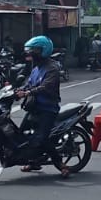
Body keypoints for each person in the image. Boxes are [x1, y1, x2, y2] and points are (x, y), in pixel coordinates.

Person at [14, 34, 66, 176]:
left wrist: (27, 93)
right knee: (21, 134)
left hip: (48, 109)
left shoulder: (52, 68)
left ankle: (60, 165)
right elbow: (29, 83)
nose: (30, 54)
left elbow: (45, 87)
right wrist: (21, 89)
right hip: (35, 108)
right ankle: (33, 161)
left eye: (33, 51)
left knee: (42, 138)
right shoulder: (36, 68)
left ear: (42, 51)